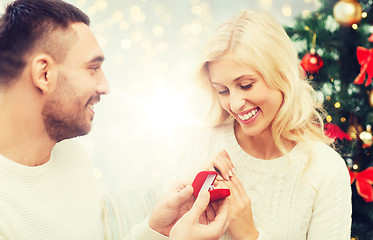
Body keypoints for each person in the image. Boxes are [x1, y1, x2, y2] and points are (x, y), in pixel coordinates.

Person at [0, 0, 229, 239]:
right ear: (44, 74)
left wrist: (156, 231)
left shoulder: (71, 155)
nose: (105, 86)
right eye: (92, 68)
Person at [174, 10, 352, 239]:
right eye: (223, 90)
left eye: (246, 85)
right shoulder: (198, 147)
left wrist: (249, 235)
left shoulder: (325, 170)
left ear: (282, 76)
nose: (235, 104)